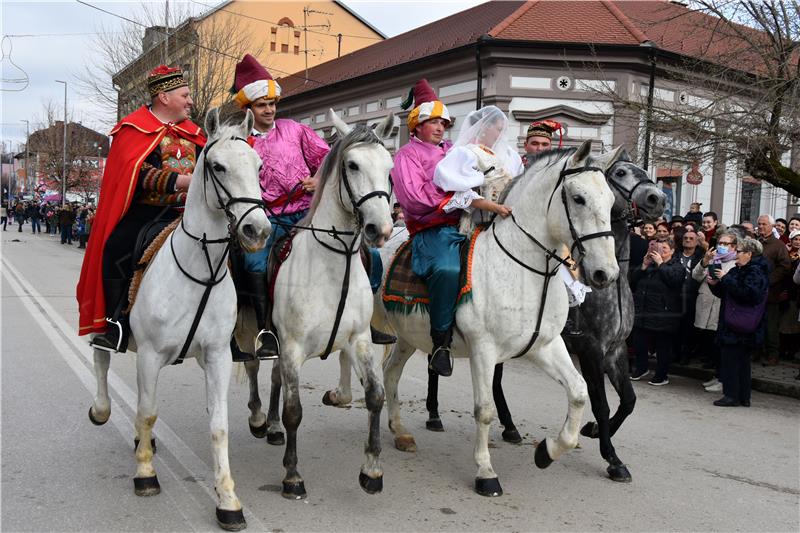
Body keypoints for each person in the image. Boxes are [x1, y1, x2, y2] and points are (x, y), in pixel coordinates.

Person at [77, 65, 206, 352]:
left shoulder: (194, 133)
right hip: (149, 211)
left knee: (229, 248)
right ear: (164, 97)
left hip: (192, 213)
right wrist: (186, 181)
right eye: (185, 95)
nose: (190, 101)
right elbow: (140, 174)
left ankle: (228, 330)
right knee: (115, 247)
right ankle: (115, 322)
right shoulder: (132, 129)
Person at [392, 79, 462, 376]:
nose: (439, 127)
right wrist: (459, 199)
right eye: (433, 121)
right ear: (417, 124)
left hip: (470, 222)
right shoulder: (406, 155)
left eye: (443, 122)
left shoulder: (455, 150)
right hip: (432, 230)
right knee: (448, 270)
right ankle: (441, 344)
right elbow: (415, 199)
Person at [707, 237, 769, 406]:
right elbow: (725, 293)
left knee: (735, 362)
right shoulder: (738, 269)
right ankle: (741, 396)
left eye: (739, 251)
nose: (736, 254)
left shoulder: (756, 271)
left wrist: (726, 278)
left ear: (749, 254)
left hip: (743, 324)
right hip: (732, 323)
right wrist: (714, 283)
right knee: (735, 360)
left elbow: (750, 294)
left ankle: (733, 396)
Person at [630, 238, 686, 385]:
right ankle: (641, 368)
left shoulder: (677, 266)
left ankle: (661, 375)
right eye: (659, 249)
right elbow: (633, 281)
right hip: (644, 311)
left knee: (663, 347)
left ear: (672, 251)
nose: (660, 252)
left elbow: (673, 280)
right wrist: (643, 265)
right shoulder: (650, 265)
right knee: (639, 342)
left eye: (665, 249)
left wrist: (661, 263)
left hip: (664, 313)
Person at [693, 230, 740, 392]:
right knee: (709, 342)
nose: (722, 247)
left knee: (721, 346)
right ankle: (717, 375)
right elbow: (696, 276)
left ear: (734, 247)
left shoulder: (736, 262)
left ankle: (723, 378)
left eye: (726, 244)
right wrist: (704, 262)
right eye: (720, 243)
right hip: (706, 303)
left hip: (722, 306)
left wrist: (723, 276)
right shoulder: (712, 258)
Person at [756, 214, 791, 366]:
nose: (761, 227)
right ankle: (756, 351)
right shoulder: (755, 243)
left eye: (764, 224)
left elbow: (785, 266)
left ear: (771, 227)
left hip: (770, 292)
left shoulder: (778, 245)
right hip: (754, 291)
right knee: (755, 322)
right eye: (759, 224)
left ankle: (772, 354)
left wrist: (768, 280)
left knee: (770, 324)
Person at [676, 229, 704, 363]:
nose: (687, 240)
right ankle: (674, 353)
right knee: (675, 327)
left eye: (691, 238)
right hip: (676, 295)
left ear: (697, 242)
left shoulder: (700, 257)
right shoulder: (676, 255)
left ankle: (686, 354)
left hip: (693, 296)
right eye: (685, 238)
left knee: (689, 328)